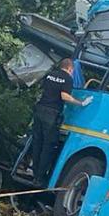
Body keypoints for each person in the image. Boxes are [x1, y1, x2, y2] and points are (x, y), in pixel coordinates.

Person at [32, 59, 91, 187]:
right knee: (48, 146)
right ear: (70, 69)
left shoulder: (50, 74)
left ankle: (34, 173)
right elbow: (64, 96)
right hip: (51, 114)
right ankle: (40, 178)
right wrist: (81, 103)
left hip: (40, 110)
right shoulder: (67, 79)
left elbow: (42, 90)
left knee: (37, 142)